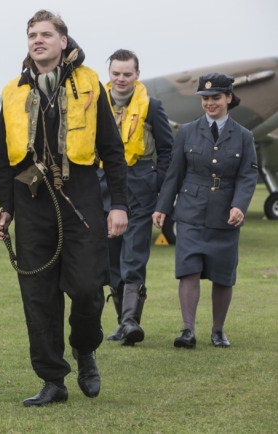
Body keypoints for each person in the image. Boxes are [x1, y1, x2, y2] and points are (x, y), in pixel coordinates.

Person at [0, 10, 128, 406]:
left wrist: (117, 204)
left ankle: (85, 349)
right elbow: (4, 160)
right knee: (37, 295)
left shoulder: (89, 84)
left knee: (87, 289)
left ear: (63, 41)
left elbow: (112, 151)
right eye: (32, 34)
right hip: (30, 199)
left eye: (46, 34)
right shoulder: (12, 91)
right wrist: (6, 209)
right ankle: (53, 379)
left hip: (80, 197)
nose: (38, 40)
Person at [153, 73, 257, 349]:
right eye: (206, 99)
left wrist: (240, 206)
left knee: (223, 274)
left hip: (226, 214)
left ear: (229, 98)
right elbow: (175, 173)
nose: (210, 103)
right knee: (188, 269)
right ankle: (187, 331)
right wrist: (163, 207)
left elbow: (248, 175)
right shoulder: (186, 131)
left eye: (216, 98)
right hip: (190, 212)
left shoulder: (244, 136)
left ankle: (218, 331)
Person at [100, 49, 173, 346]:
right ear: (109, 74)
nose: (121, 79)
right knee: (111, 258)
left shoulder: (153, 106)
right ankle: (121, 323)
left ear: (137, 75)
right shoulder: (95, 106)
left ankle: (131, 321)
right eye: (116, 73)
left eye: (127, 74)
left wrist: (156, 182)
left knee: (134, 256)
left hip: (140, 187)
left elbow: (167, 150)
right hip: (103, 189)